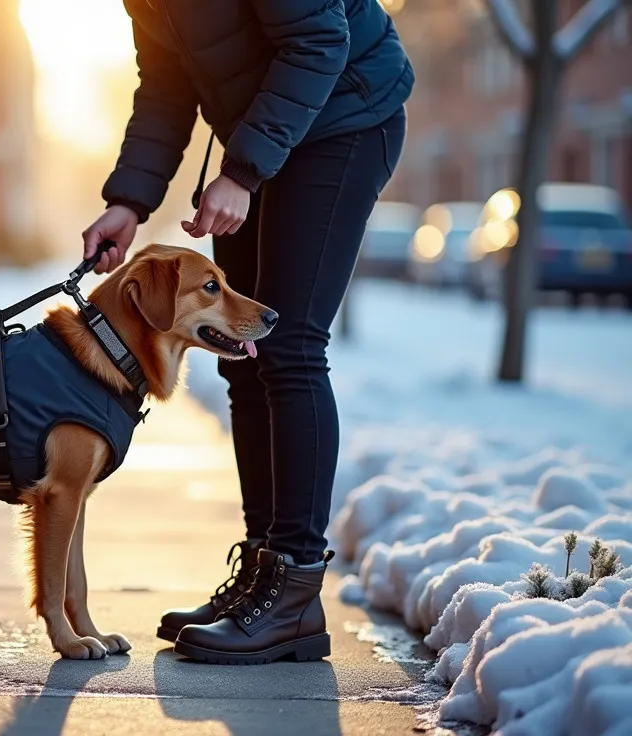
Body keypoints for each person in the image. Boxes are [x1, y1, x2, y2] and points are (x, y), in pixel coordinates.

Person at [82, 0, 413, 664]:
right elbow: (166, 85)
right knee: (242, 351)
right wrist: (129, 201)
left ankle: (293, 590)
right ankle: (263, 573)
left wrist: (240, 173)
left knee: (289, 348)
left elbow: (320, 40)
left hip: (344, 116)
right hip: (264, 131)